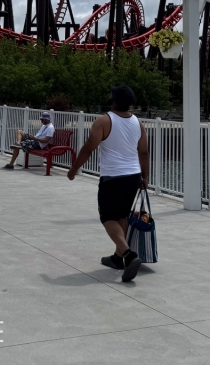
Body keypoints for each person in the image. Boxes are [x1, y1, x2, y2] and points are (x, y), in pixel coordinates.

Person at [66, 86, 149, 282]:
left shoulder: (104, 120)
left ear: (113, 100)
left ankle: (128, 254)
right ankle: (117, 258)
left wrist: (73, 169)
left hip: (113, 177)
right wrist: (145, 178)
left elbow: (88, 148)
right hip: (133, 176)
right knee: (122, 215)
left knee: (107, 217)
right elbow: (143, 152)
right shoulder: (139, 123)